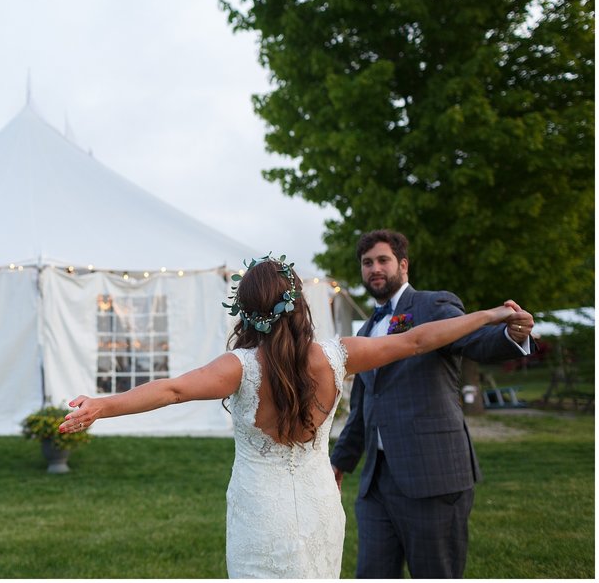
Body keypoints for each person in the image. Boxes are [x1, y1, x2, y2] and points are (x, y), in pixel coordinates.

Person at [59, 253, 529, 578]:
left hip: (261, 513)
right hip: (321, 505)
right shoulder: (337, 356)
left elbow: (173, 389)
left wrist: (103, 405)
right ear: (299, 304)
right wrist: (488, 315)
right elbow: (417, 341)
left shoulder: (238, 368)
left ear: (245, 311)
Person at [330, 229, 534, 579]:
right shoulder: (364, 332)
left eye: (383, 260)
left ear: (403, 265)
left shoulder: (432, 304)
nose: (374, 268)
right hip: (377, 484)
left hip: (433, 474)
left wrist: (509, 335)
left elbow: (476, 339)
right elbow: (365, 407)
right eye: (367, 263)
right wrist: (340, 464)